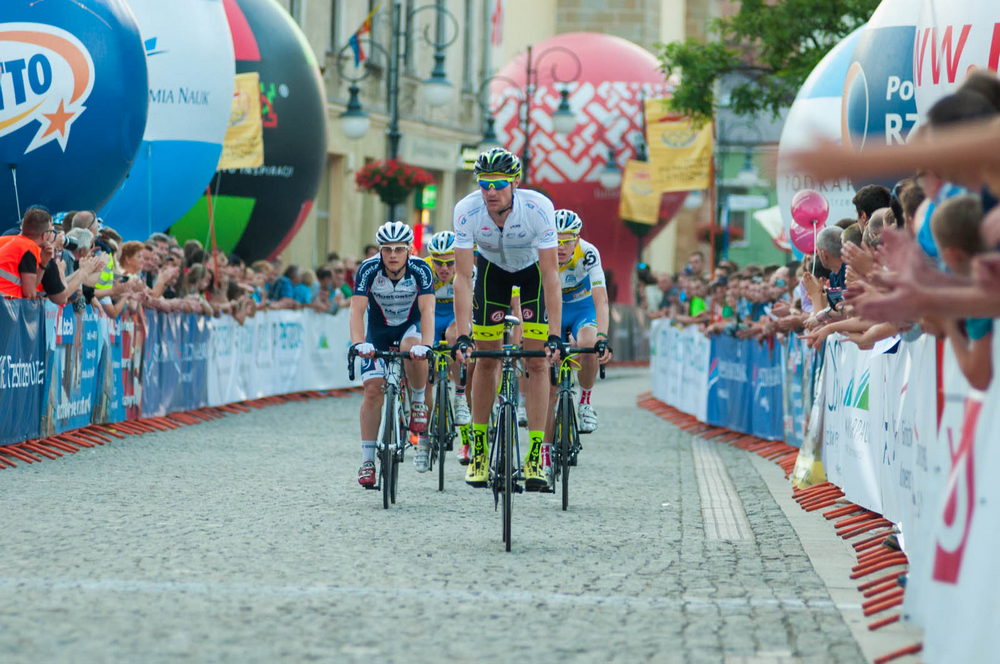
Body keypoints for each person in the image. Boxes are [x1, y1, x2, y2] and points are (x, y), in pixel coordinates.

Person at [452, 147, 563, 491]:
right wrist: (462, 334)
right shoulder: (467, 210)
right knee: (485, 361)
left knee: (538, 362)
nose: (491, 191)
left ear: (515, 182)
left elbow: (551, 275)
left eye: (499, 184)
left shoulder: (537, 208)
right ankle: (480, 453)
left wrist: (555, 335)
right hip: (492, 272)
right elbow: (462, 277)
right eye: (484, 184)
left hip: (532, 272)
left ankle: (535, 456)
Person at [351, 221, 436, 485]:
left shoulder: (421, 269)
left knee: (413, 349)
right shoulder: (368, 269)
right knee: (373, 390)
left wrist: (427, 345)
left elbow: (428, 310)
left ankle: (418, 402)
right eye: (387, 249)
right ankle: (367, 461)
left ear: (409, 249)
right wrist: (359, 343)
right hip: (378, 332)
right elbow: (356, 310)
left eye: (399, 249)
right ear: (380, 250)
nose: (393, 255)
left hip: (409, 328)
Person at [543, 209, 612, 477]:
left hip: (583, 309)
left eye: (567, 240)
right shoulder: (541, 253)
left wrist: (603, 336)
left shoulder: (589, 253)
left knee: (588, 341)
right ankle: (544, 451)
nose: (561, 246)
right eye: (556, 240)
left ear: (578, 238)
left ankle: (585, 402)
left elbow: (601, 299)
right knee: (549, 387)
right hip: (553, 311)